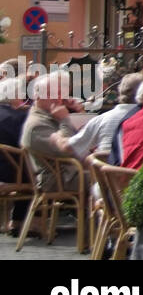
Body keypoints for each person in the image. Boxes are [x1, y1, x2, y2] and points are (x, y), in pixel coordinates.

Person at [20, 72, 84, 190]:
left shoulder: (51, 116)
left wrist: (77, 112)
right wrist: (65, 120)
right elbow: (68, 150)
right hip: (58, 180)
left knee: (107, 174)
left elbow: (79, 142)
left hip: (70, 173)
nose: (58, 99)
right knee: (105, 178)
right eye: (52, 94)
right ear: (38, 96)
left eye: (60, 93)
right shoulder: (37, 125)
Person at [67, 73, 143, 159]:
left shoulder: (102, 119)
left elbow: (70, 147)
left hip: (104, 171)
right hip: (138, 171)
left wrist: (62, 122)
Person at [0, 75, 31, 234]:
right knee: (34, 173)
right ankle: (21, 221)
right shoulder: (20, 118)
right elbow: (26, 145)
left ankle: (15, 221)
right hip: (10, 172)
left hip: (5, 168)